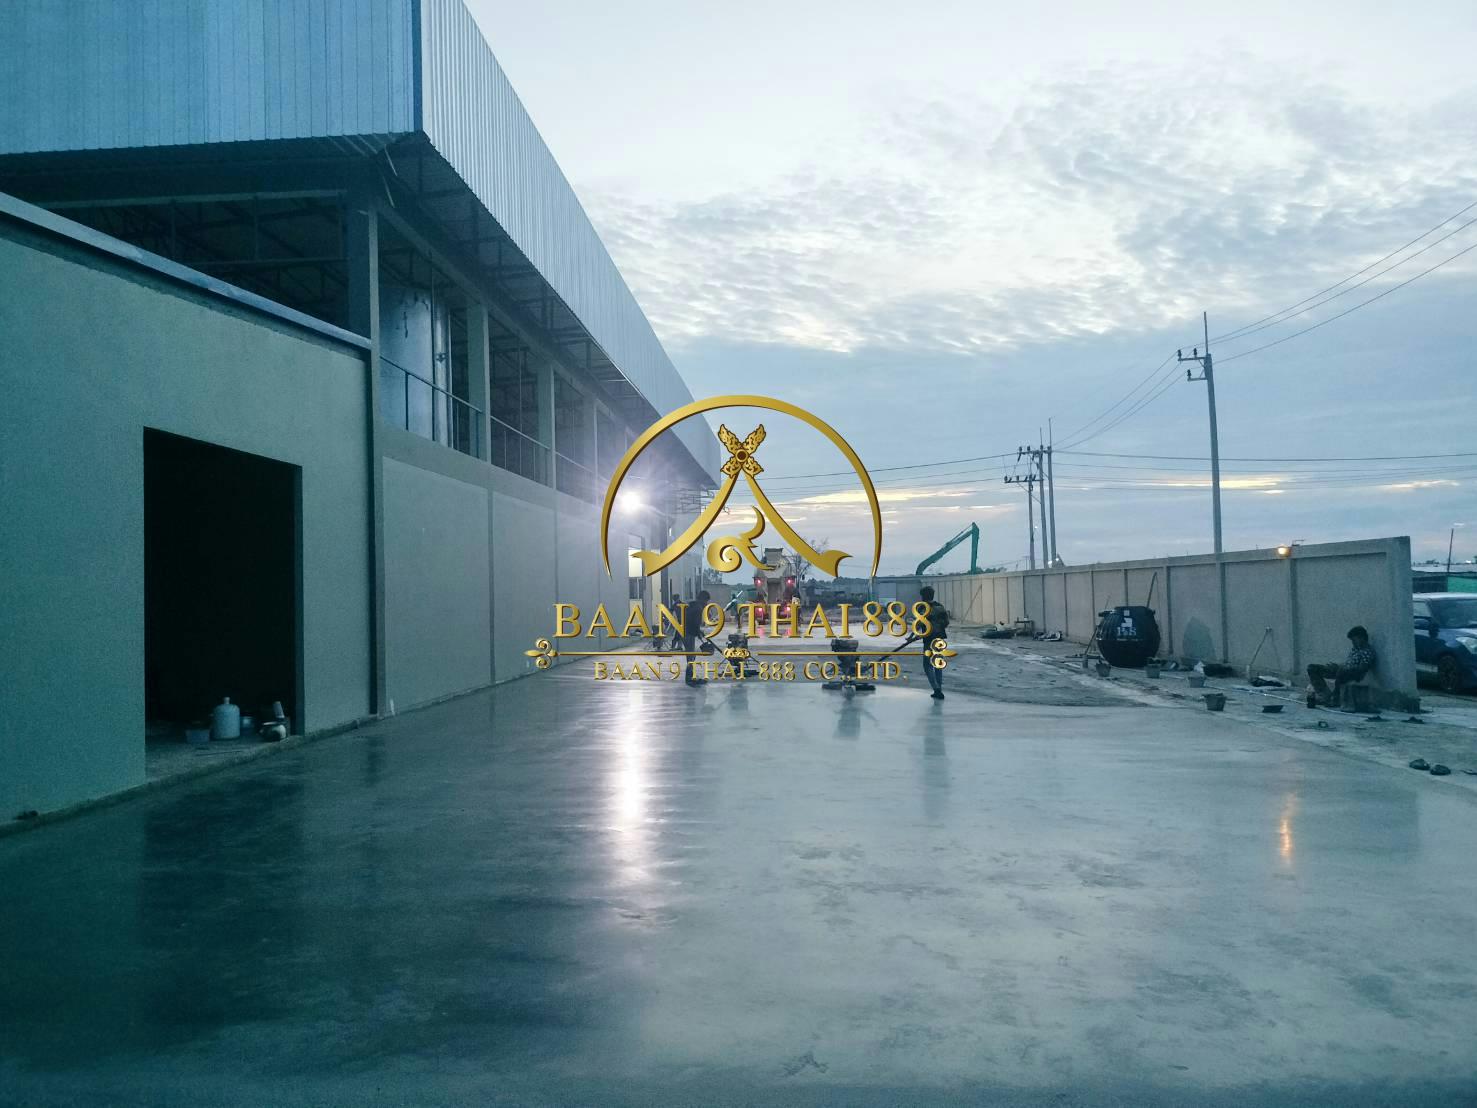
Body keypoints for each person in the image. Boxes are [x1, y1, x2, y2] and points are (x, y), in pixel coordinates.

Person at [902, 586, 951, 700]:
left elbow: (918, 624)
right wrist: (937, 628)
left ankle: (936, 689)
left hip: (929, 640)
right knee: (938, 665)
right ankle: (939, 689)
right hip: (940, 639)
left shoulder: (923, 608)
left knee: (927, 665)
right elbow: (946, 622)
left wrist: (911, 637)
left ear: (923, 596)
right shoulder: (940, 606)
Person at [1307, 625, 1376, 707]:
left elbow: (1362, 669)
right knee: (1312, 668)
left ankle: (1335, 698)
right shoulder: (1355, 649)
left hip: (1352, 673)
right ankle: (1324, 695)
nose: (1353, 643)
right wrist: (1338, 666)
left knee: (1341, 672)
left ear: (1362, 638)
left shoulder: (1367, 651)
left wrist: (1344, 669)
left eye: (1354, 640)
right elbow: (1348, 662)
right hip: (1342, 669)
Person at [681, 590, 711, 687]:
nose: (706, 603)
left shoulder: (692, 605)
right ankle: (690, 679)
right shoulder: (698, 608)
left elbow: (691, 622)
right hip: (689, 633)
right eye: (706, 600)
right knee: (691, 657)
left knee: (690, 656)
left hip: (684, 632)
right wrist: (698, 633)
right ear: (702, 599)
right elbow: (695, 623)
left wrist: (699, 632)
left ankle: (691, 677)